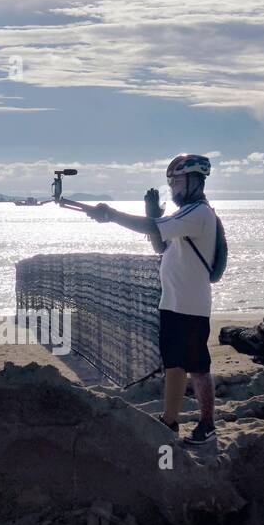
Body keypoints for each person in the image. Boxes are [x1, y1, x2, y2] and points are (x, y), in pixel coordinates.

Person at [87, 154, 218, 447]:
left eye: (178, 181)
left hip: (192, 306)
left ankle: (207, 424)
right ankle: (170, 421)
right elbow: (161, 244)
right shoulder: (182, 214)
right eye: (171, 182)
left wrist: (112, 215)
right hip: (172, 303)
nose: (173, 187)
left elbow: (154, 229)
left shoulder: (200, 214)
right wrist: (151, 212)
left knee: (197, 367)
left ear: (196, 182)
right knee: (174, 364)